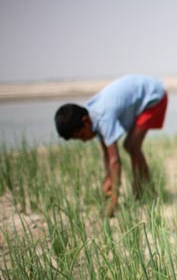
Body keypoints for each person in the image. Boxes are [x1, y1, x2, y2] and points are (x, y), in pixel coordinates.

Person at [54, 75, 168, 217]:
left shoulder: (102, 116)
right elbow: (107, 154)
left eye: (82, 136)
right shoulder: (93, 115)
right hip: (144, 95)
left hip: (154, 96)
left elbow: (115, 161)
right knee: (131, 145)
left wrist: (113, 202)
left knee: (131, 145)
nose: (84, 141)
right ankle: (146, 190)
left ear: (85, 121)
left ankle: (143, 191)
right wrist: (109, 177)